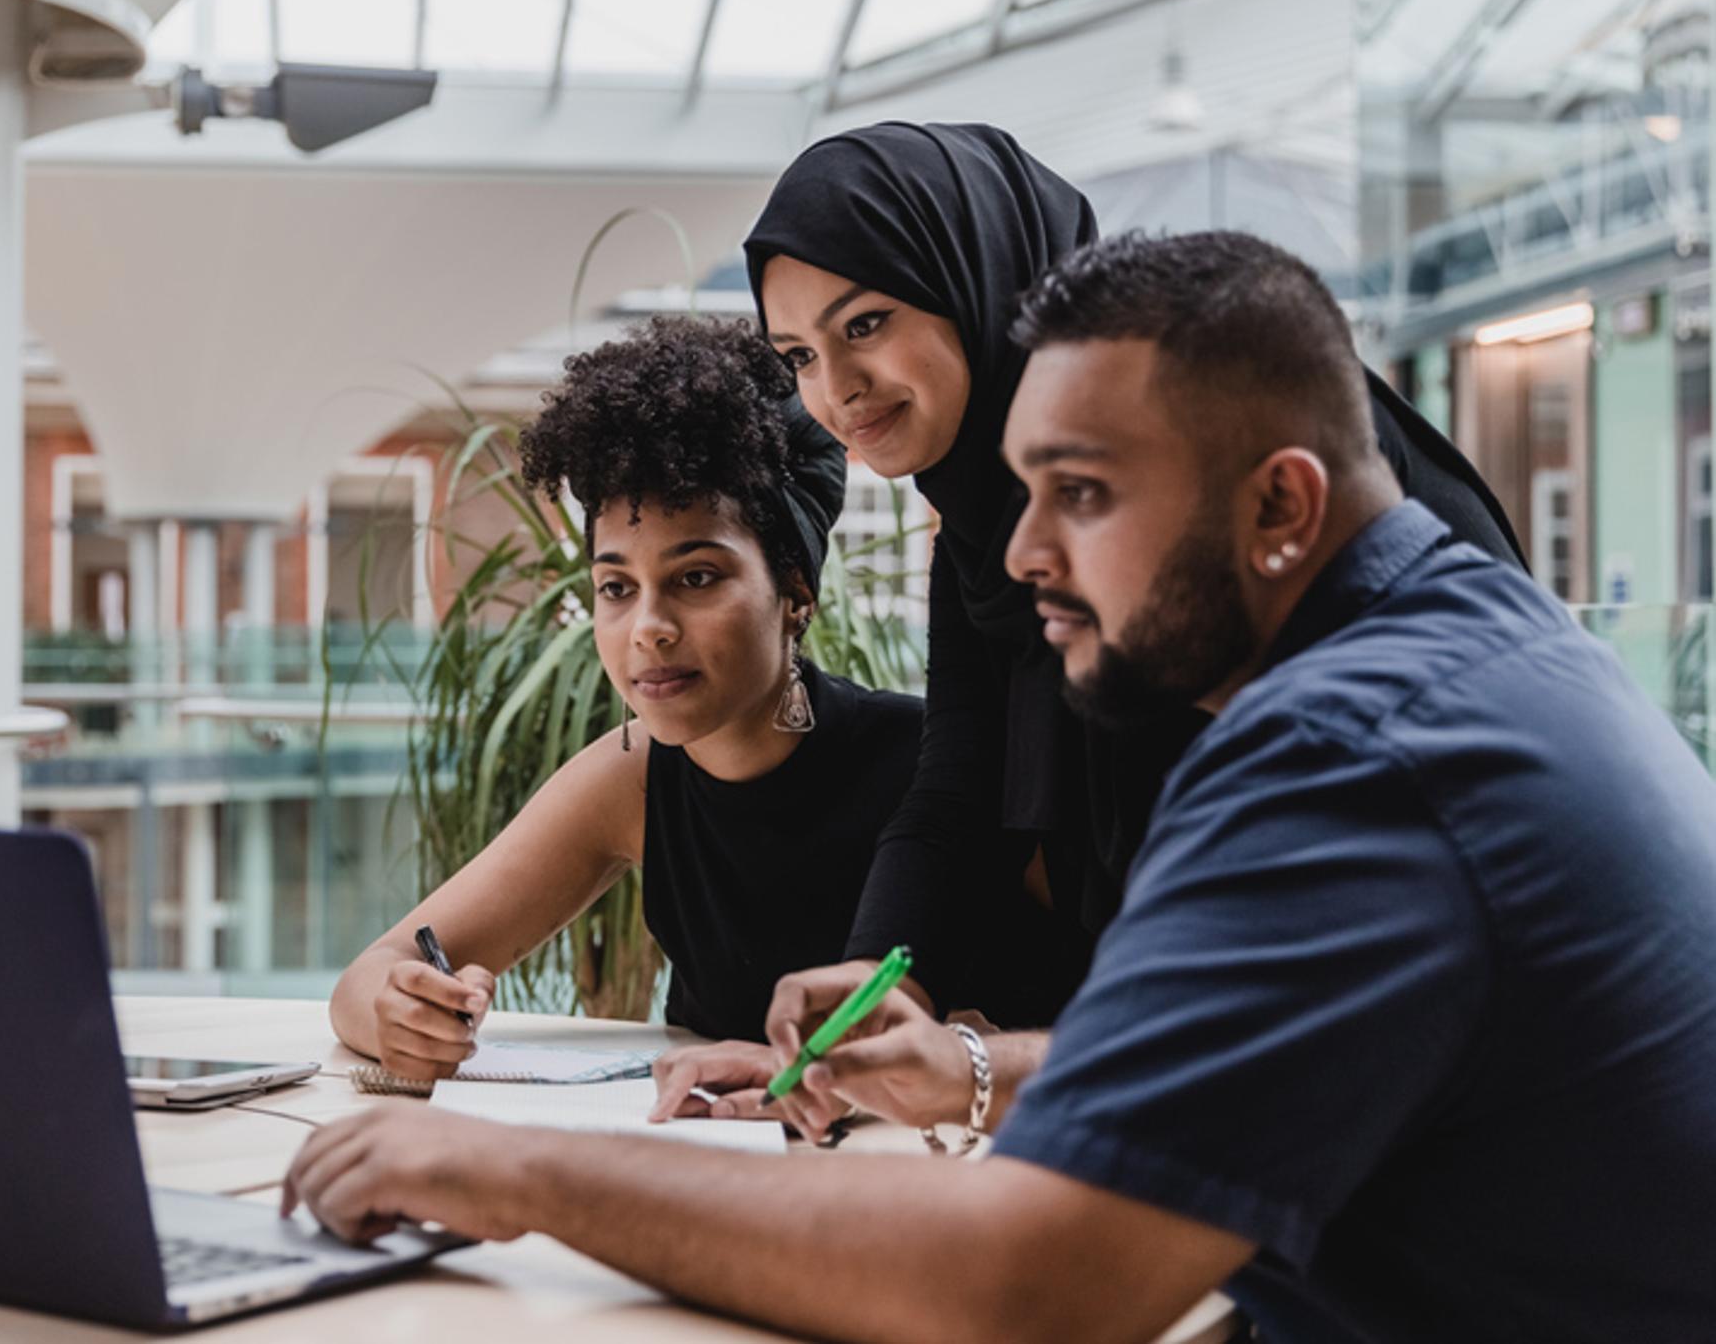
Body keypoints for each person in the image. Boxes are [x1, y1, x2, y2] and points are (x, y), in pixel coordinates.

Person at [284, 230, 1716, 1344]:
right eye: (1020, 491)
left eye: (1080, 491)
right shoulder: (1466, 658)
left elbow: (1025, 1287)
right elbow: (1261, 1050)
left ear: (1279, 507)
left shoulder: (1350, 752)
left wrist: (506, 1169)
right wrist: (962, 1069)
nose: (1022, 553)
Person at [685, 122, 1522, 1129]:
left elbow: (1291, 963)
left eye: (865, 323)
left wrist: (985, 1071)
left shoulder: (1212, 435)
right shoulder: (990, 518)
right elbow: (960, 783)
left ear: (974, 277)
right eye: (799, 356)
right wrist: (873, 995)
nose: (834, 389)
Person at [328, 316, 923, 1072]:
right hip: (709, 1162)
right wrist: (402, 1011)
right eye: (615, 587)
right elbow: (367, 975)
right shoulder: (630, 778)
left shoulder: (928, 763)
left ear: (794, 593)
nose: (648, 628)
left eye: (696, 578)